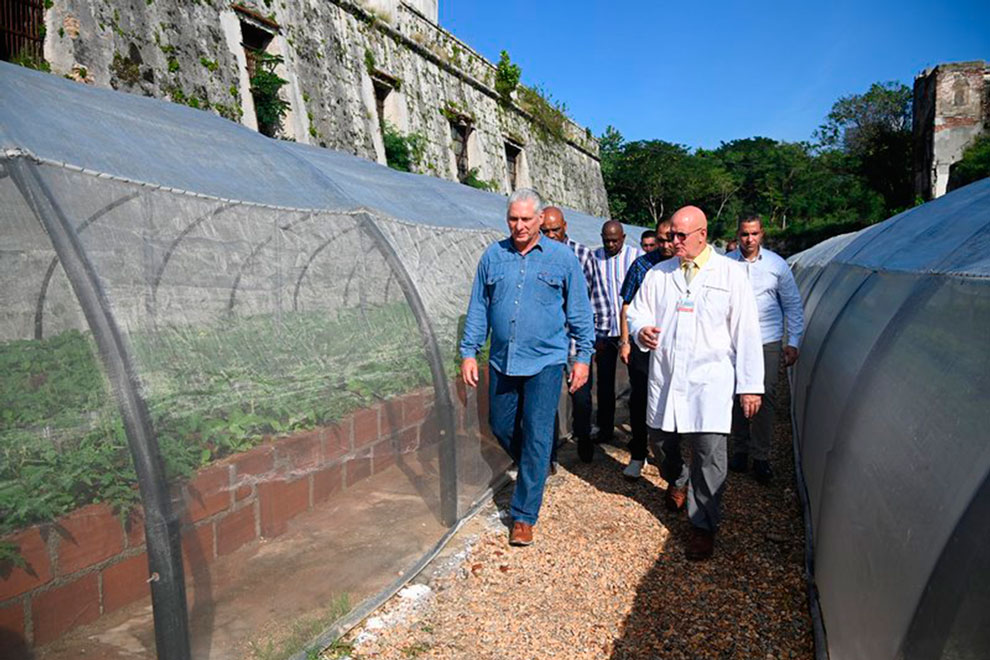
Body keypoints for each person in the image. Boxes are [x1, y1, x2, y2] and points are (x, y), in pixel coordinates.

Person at [627, 205, 764, 560]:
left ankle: (703, 524)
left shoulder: (731, 275)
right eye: (670, 235)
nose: (672, 242)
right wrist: (641, 329)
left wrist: (750, 385)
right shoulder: (659, 274)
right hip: (668, 376)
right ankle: (678, 477)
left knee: (710, 454)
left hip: (710, 382)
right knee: (660, 442)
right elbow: (637, 310)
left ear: (702, 235)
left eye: (679, 236)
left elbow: (747, 331)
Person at [460, 189, 594, 547]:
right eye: (512, 219)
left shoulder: (562, 258)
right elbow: (478, 307)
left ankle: (524, 515)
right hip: (504, 359)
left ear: (539, 220)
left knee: (536, 432)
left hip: (546, 361)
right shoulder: (494, 256)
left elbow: (580, 312)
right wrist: (469, 351)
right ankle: (536, 466)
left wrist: (582, 357)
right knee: (501, 425)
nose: (518, 226)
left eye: (525, 220)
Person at [725, 215, 805, 484]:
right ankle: (739, 448)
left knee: (766, 394)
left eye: (754, 234)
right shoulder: (726, 265)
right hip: (735, 339)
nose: (749, 239)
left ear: (763, 234)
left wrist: (792, 341)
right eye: (745, 234)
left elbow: (792, 304)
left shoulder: (776, 265)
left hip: (767, 339)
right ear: (738, 235)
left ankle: (761, 455)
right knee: (737, 393)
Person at [540, 206, 612, 465]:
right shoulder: (535, 255)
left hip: (575, 342)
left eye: (555, 230)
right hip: (546, 343)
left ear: (565, 227)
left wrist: (598, 337)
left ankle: (582, 435)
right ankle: (547, 454)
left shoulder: (582, 255)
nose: (550, 236)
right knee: (545, 400)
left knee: (580, 398)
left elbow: (598, 297)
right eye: (544, 231)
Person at [617, 219, 675, 479]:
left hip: (674, 348)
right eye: (660, 240)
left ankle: (672, 456)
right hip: (644, 346)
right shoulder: (642, 265)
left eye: (669, 238)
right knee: (640, 399)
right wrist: (626, 341)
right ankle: (638, 453)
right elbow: (626, 306)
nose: (664, 245)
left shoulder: (684, 266)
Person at [592, 221, 642, 448]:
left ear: (623, 237)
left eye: (615, 240)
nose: (611, 244)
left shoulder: (635, 257)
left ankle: (638, 430)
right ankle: (605, 427)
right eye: (606, 240)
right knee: (604, 382)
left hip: (629, 331)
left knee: (637, 380)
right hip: (604, 330)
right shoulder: (595, 258)